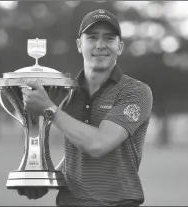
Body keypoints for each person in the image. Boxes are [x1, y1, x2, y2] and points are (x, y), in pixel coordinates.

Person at [18, 9, 153, 206]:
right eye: (92, 37)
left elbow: (98, 144)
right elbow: (78, 150)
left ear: (120, 46)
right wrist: (47, 179)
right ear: (79, 45)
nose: (100, 45)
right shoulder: (66, 92)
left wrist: (49, 108)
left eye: (109, 38)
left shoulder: (135, 91)